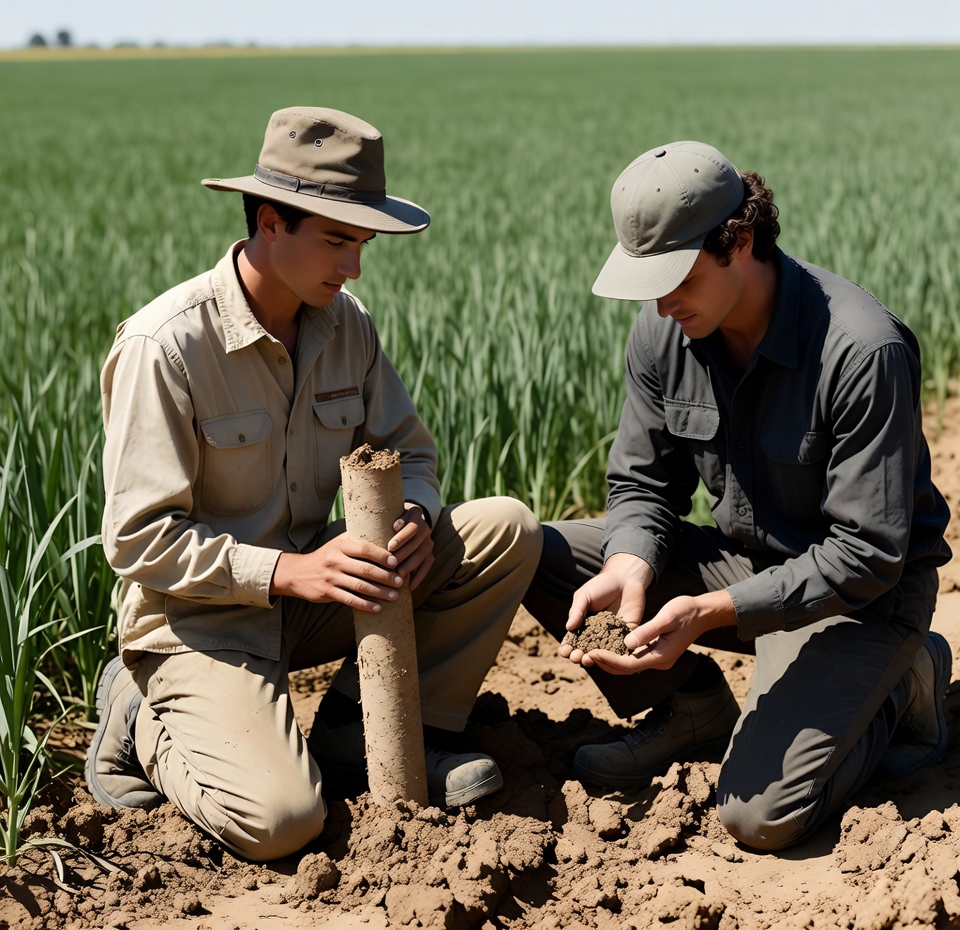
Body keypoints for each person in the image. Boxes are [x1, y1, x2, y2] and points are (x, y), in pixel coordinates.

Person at [85, 106, 542, 862]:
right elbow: (138, 541)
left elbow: (412, 456)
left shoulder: (345, 326)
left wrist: (420, 520)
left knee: (506, 529)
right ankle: (138, 716)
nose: (354, 266)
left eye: (361, 243)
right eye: (337, 241)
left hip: (318, 590)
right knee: (284, 822)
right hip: (201, 622)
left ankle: (361, 732)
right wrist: (288, 571)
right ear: (270, 221)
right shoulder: (165, 347)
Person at [523, 140, 953, 851]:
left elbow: (870, 555)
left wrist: (710, 612)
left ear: (740, 241)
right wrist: (630, 561)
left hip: (860, 601)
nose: (661, 301)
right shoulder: (665, 330)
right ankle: (691, 708)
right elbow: (642, 482)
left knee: (759, 818)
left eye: (676, 277)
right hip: (744, 565)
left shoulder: (861, 350)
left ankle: (901, 686)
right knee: (539, 549)